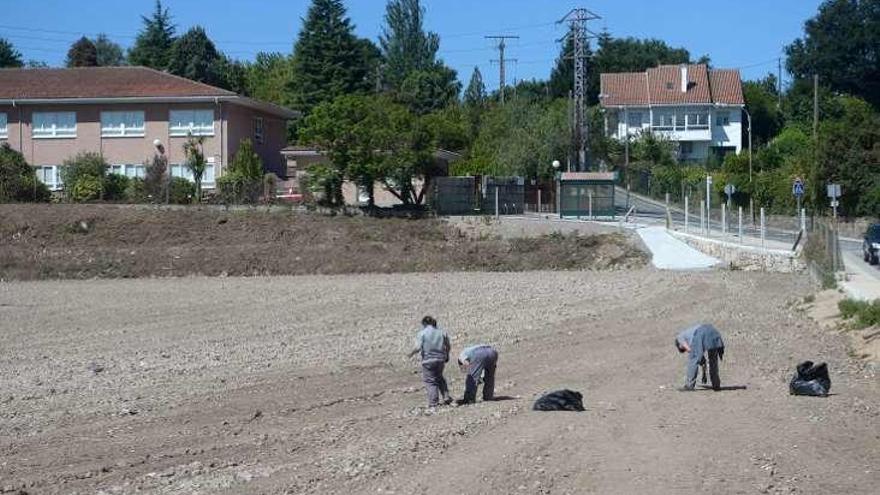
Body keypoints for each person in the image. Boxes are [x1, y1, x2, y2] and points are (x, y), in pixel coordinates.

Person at [407, 316, 453, 407]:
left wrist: (411, 354)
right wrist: (447, 355)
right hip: (440, 359)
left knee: (430, 381)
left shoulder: (422, 333)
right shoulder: (442, 332)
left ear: (424, 324)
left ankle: (433, 401)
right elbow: (448, 346)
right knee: (440, 378)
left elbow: (418, 347)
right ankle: (446, 396)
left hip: (428, 360)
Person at [675, 323, 725, 391]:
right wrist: (703, 372)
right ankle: (716, 385)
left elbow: (691, 351)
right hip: (713, 331)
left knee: (693, 359)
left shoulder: (679, 337)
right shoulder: (689, 334)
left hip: (701, 332)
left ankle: (689, 385)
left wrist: (698, 358)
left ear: (679, 345)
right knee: (713, 360)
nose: (685, 349)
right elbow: (700, 356)